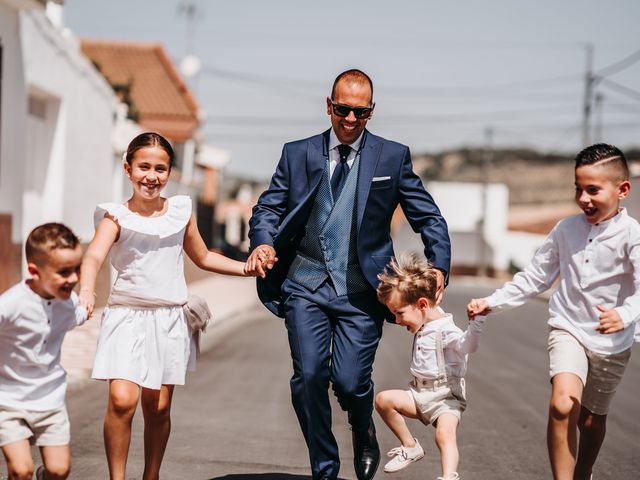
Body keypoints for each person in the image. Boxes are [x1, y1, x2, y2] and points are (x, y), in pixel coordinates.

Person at [248, 69, 451, 480]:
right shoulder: (297, 153)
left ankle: (364, 430)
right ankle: (324, 467)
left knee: (350, 381)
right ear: (329, 106)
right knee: (308, 377)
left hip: (362, 291)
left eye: (360, 112)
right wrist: (263, 242)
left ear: (371, 112)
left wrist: (439, 264)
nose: (350, 119)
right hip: (305, 284)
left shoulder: (391, 157)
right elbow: (268, 208)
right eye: (342, 109)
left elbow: (426, 215)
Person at [79, 132, 258, 480]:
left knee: (157, 407)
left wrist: (247, 269)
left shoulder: (180, 212)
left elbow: (204, 257)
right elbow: (93, 256)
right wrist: (87, 291)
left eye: (160, 169)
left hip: (168, 319)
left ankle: (151, 475)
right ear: (128, 169)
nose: (151, 176)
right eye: (143, 167)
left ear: (170, 173)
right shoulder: (115, 217)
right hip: (125, 317)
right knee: (121, 401)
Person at [467, 143, 640, 480]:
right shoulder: (566, 230)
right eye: (578, 189)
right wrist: (493, 301)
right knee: (563, 405)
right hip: (569, 326)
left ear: (623, 190)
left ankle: (582, 472)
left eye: (593, 190)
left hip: (612, 341)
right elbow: (536, 277)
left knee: (591, 420)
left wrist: (625, 313)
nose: (583, 198)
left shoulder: (633, 236)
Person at [374, 255, 484, 480]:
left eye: (399, 313)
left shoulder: (446, 329)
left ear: (422, 304)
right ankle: (410, 446)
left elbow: (468, 346)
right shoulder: (424, 321)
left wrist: (476, 323)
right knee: (383, 400)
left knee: (444, 435)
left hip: (445, 398)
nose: (396, 320)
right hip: (419, 394)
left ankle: (449, 476)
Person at [0, 223, 87, 480]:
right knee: (20, 469)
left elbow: (78, 315)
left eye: (76, 269)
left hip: (50, 400)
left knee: (59, 471)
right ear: (34, 271)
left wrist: (88, 304)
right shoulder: (11, 305)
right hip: (9, 401)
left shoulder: (67, 302)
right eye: (63, 272)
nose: (73, 278)